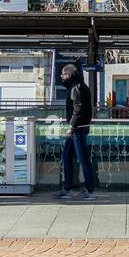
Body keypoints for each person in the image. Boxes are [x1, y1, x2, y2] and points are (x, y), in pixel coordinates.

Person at [57, 63, 96, 200]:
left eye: (63, 74)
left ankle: (88, 190)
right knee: (68, 156)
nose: (61, 77)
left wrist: (71, 126)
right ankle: (69, 188)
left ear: (69, 75)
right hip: (78, 128)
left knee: (81, 158)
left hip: (77, 129)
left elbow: (78, 109)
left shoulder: (76, 88)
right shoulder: (78, 86)